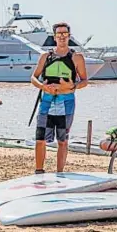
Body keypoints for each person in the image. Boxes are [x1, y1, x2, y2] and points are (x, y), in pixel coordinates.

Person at [31, 22, 88, 173]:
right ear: (54, 37)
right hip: (46, 103)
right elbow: (33, 78)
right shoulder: (45, 56)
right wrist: (42, 86)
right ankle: (39, 171)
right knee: (40, 139)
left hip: (66, 103)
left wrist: (71, 86)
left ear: (69, 36)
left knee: (62, 141)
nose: (62, 37)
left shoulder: (77, 58)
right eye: (59, 34)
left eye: (65, 34)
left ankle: (60, 173)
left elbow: (84, 81)